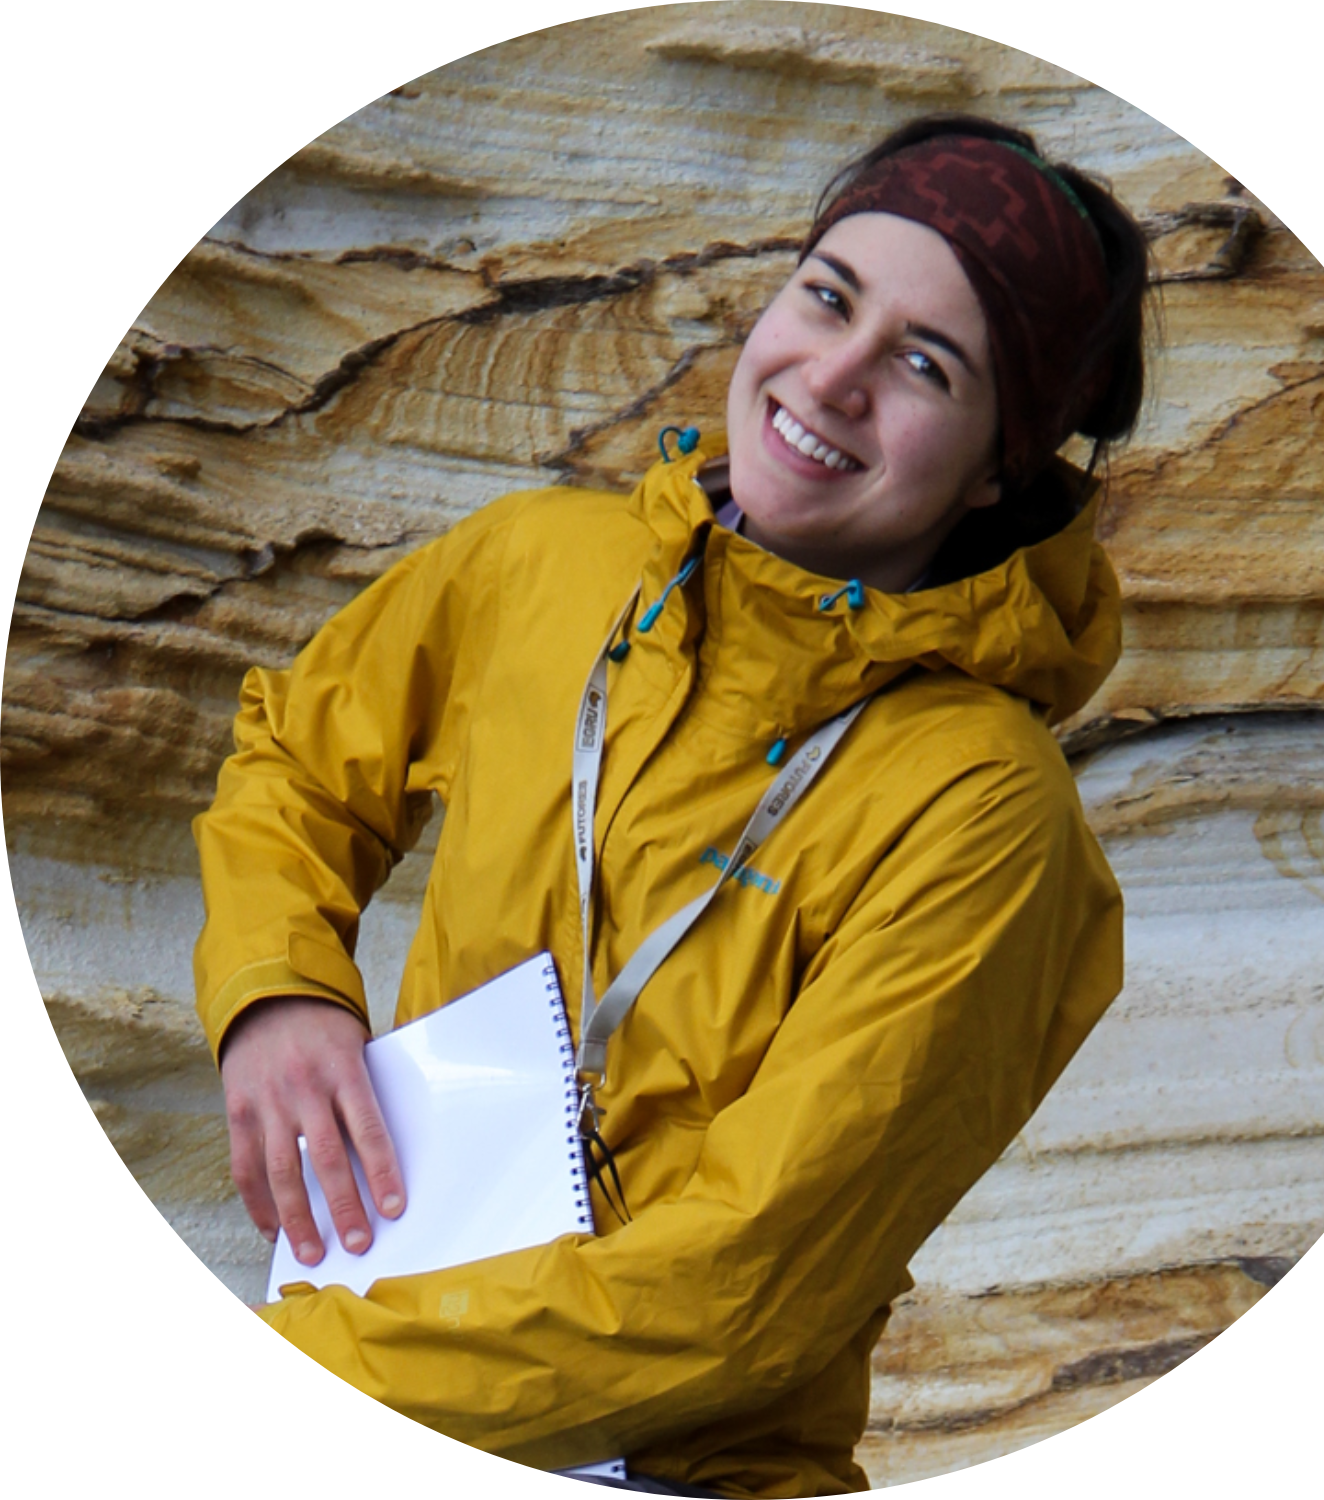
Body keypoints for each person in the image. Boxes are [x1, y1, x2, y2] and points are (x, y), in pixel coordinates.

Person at [194, 114, 1150, 1494]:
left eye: (926, 365)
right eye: (828, 295)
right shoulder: (540, 565)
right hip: (397, 1320)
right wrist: (278, 991)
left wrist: (352, 1369)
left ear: (1005, 463)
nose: (831, 377)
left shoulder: (987, 816)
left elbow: (749, 1285)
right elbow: (296, 761)